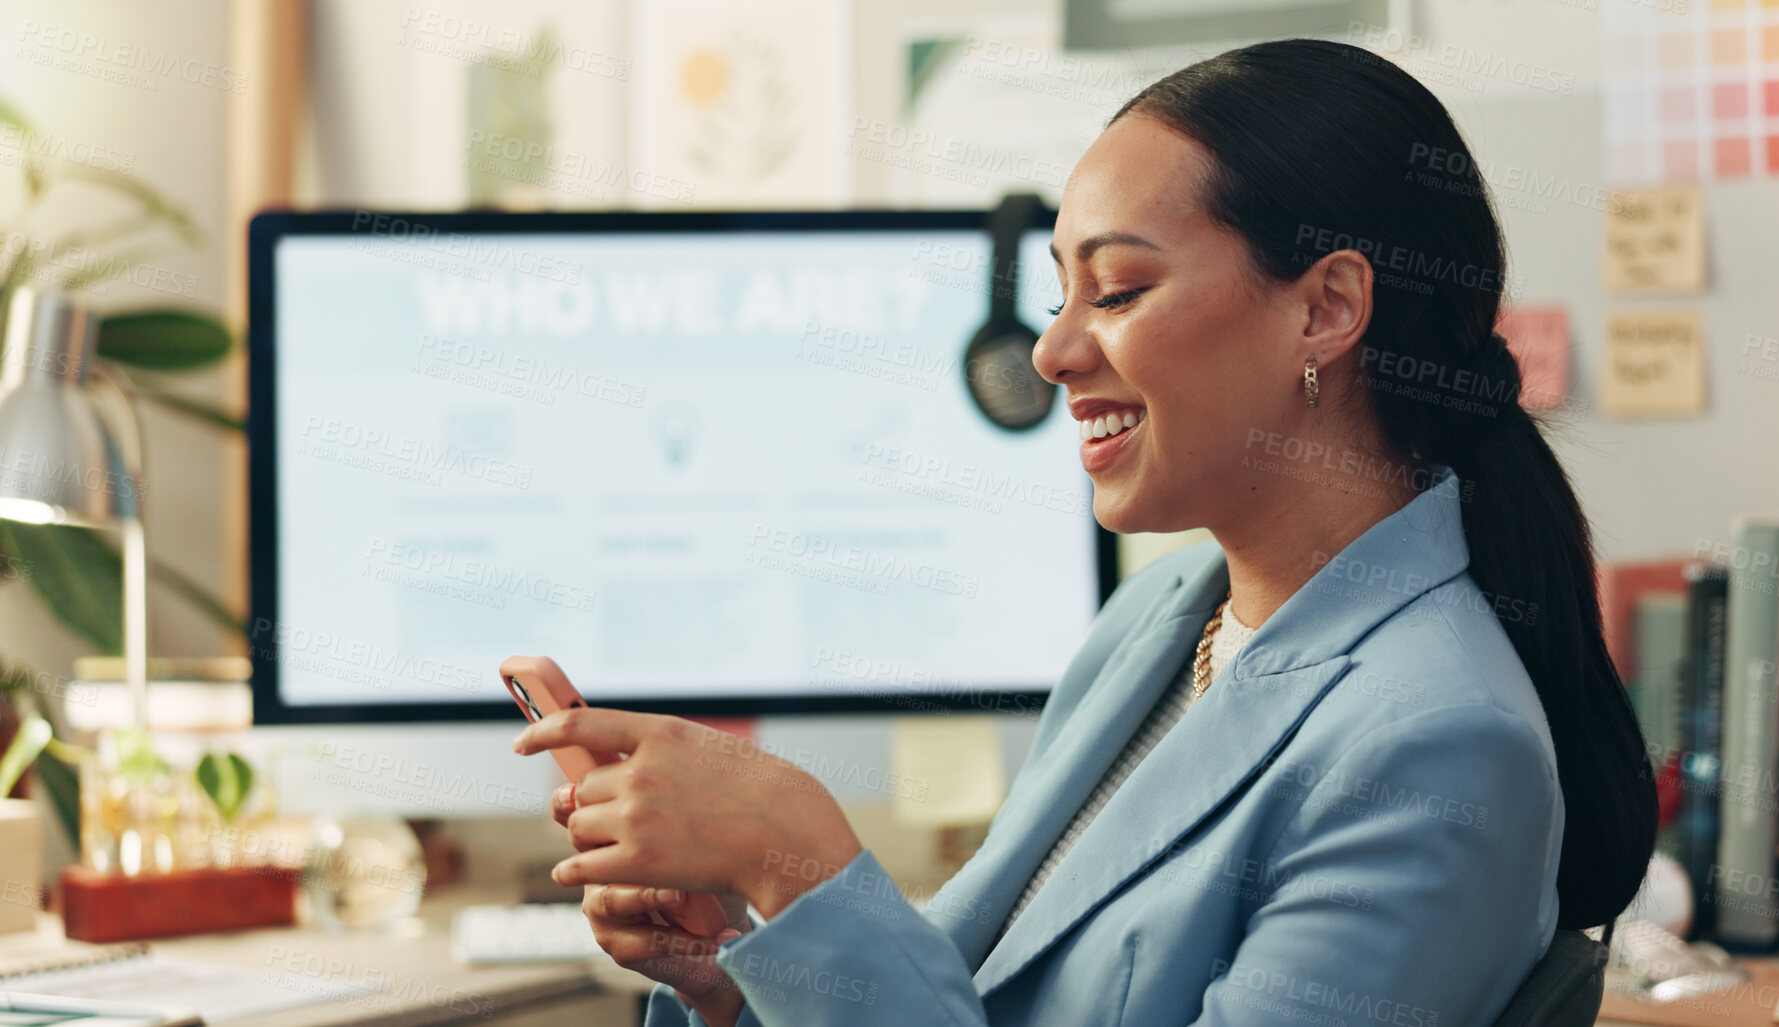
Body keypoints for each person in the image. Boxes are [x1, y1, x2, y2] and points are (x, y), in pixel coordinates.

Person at [513, 37, 1657, 1027]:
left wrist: (801, 864)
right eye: (1059, 293)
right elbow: (973, 998)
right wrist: (733, 973)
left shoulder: (1440, 746)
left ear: (1325, 309)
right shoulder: (1161, 620)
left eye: (1113, 292)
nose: (1054, 352)